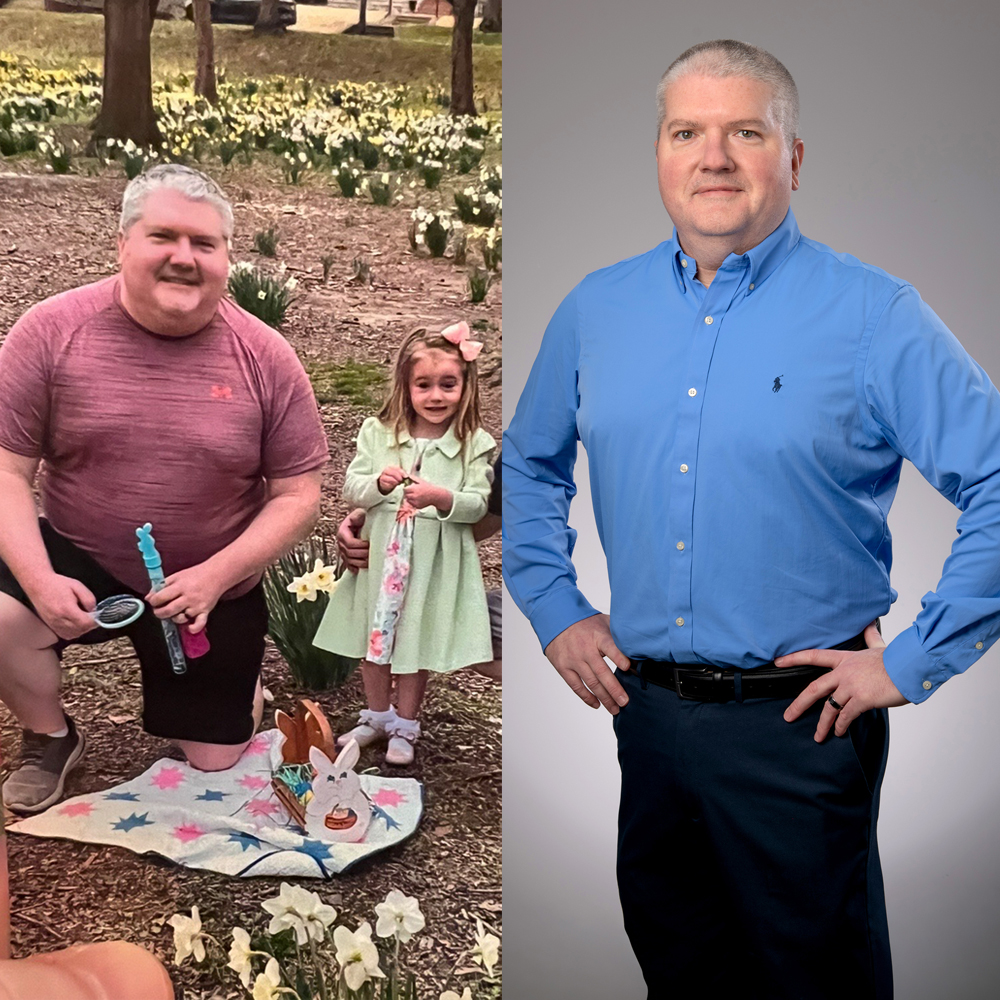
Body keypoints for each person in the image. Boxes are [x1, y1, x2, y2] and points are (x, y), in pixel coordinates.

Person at [503, 38, 1000, 1000]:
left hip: (800, 732)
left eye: (746, 131)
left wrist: (914, 659)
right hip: (647, 723)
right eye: (688, 130)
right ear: (660, 151)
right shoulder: (594, 310)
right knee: (683, 977)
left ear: (794, 157)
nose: (714, 156)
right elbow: (526, 460)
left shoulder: (873, 316)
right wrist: (554, 606)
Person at [0, 164, 328, 813]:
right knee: (2, 618)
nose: (185, 257)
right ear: (123, 243)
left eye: (204, 244)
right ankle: (49, 736)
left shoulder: (265, 357)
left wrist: (218, 574)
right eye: (164, 237)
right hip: (80, 549)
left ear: (227, 258)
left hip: (209, 579)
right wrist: (36, 578)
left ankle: (235, 693)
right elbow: (7, 471)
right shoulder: (50, 332)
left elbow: (300, 494)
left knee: (214, 760)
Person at [313, 324, 495, 765]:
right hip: (381, 562)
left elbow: (479, 504)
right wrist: (377, 484)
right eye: (424, 385)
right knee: (374, 639)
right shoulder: (379, 434)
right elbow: (352, 489)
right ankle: (376, 716)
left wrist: (441, 497)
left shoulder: (475, 444)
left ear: (465, 387)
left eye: (448, 385)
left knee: (413, 643)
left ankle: (405, 727)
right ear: (405, 386)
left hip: (430, 564)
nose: (436, 396)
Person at [336, 450, 503, 680]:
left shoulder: (479, 444)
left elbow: (476, 506)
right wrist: (378, 522)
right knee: (441, 622)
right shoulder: (531, 443)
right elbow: (484, 520)